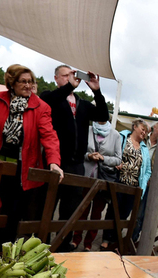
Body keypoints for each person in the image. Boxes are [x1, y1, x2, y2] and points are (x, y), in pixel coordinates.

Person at [0, 64, 63, 246]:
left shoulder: (40, 106)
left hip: (21, 168)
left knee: (13, 211)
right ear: (12, 83)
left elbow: (49, 135)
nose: (28, 86)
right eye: (23, 81)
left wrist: (54, 162)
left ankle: (4, 252)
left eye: (31, 82)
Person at [40, 65, 109, 251]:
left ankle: (62, 246)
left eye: (73, 75)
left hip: (76, 165)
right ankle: (41, 245)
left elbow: (103, 114)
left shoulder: (82, 104)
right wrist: (69, 87)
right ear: (56, 78)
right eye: (66, 76)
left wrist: (97, 90)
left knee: (70, 210)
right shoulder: (49, 97)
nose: (71, 79)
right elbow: (49, 101)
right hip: (53, 161)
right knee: (46, 206)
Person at [70, 119, 121, 251]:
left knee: (96, 214)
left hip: (103, 180)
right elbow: (78, 150)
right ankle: (76, 240)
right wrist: (88, 156)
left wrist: (104, 158)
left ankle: (88, 243)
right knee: (82, 211)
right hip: (87, 177)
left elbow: (118, 159)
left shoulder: (115, 135)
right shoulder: (88, 130)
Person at [101, 119, 151, 250]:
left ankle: (115, 241)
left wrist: (143, 184)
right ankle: (105, 240)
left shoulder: (144, 148)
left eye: (146, 131)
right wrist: (115, 164)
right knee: (113, 211)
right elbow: (113, 154)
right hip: (119, 182)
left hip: (134, 187)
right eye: (142, 129)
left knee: (124, 214)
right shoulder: (122, 138)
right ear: (134, 127)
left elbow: (147, 170)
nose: (144, 133)